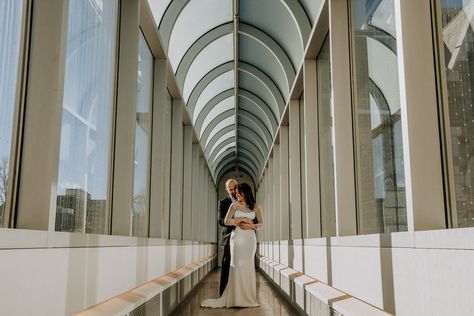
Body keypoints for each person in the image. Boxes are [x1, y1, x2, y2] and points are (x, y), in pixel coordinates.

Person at [201, 183, 263, 308]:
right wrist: (241, 220)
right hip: (237, 239)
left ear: (246, 193)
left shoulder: (255, 207)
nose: (237, 194)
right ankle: (235, 298)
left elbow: (261, 224)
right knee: (237, 266)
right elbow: (225, 221)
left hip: (250, 239)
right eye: (236, 193)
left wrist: (251, 226)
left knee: (248, 266)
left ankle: (248, 298)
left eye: (239, 193)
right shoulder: (234, 205)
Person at [217, 179, 238, 296]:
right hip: (227, 238)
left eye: (234, 188)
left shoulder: (244, 201)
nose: (232, 191)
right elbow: (220, 220)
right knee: (226, 265)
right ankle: (224, 295)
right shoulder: (223, 202)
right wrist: (235, 222)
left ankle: (238, 295)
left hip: (243, 239)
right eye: (230, 189)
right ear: (227, 190)